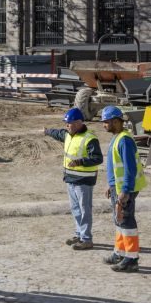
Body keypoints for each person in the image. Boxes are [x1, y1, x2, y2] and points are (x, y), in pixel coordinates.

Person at [43, 107, 103, 250]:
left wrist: (80, 162)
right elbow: (58, 133)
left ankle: (86, 239)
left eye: (68, 123)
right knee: (76, 208)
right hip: (70, 179)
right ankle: (79, 234)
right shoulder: (68, 135)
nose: (66, 126)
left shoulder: (90, 138)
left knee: (84, 209)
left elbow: (97, 158)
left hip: (84, 181)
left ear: (77, 123)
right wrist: (47, 131)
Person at [101, 105, 147, 273]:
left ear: (115, 121)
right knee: (119, 220)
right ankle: (120, 252)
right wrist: (111, 185)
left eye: (106, 122)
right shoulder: (118, 137)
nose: (104, 125)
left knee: (126, 221)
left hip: (125, 189)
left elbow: (129, 169)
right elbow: (116, 166)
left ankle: (131, 259)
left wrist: (125, 191)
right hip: (118, 187)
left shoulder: (124, 140)